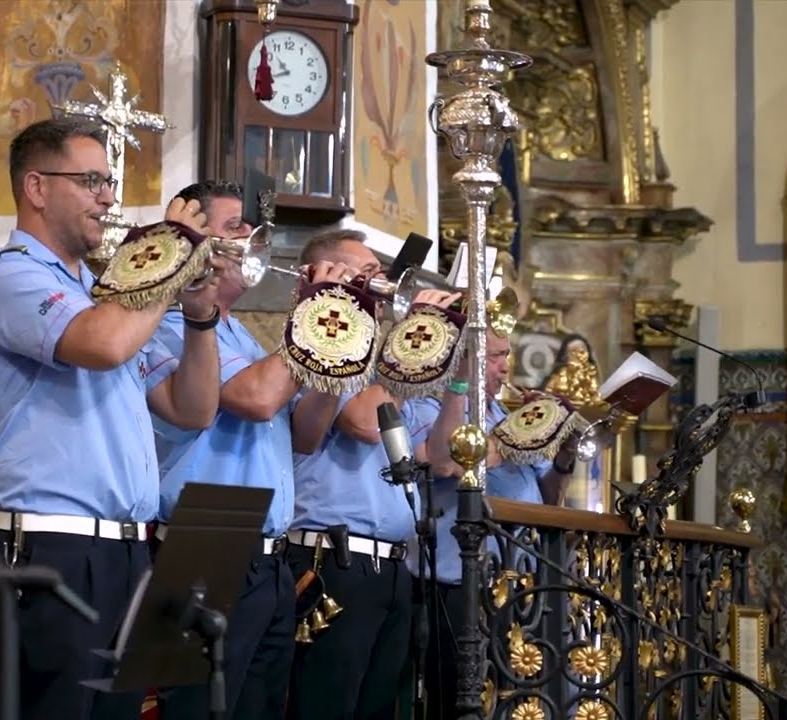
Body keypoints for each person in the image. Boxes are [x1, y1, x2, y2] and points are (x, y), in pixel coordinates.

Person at [0, 117, 225, 720]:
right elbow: (103, 345)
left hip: (125, 555)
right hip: (54, 548)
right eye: (91, 181)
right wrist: (174, 254)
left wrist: (200, 313)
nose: (108, 197)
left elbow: (193, 408)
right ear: (36, 188)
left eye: (107, 183)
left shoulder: (104, 295)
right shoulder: (12, 276)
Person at [151, 182, 354, 720]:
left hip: (268, 555)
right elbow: (257, 400)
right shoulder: (171, 327)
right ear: (195, 244)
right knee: (196, 710)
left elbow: (306, 434)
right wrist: (311, 318)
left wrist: (342, 335)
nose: (250, 237)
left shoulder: (243, 335)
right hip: (207, 541)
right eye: (233, 226)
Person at [283, 228, 453, 720]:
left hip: (392, 567)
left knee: (378, 708)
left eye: (377, 277)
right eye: (366, 277)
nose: (379, 289)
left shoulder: (379, 362)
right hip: (332, 559)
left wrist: (454, 369)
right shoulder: (318, 345)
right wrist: (406, 353)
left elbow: (438, 456)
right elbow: (362, 423)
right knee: (326, 704)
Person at [408, 327, 579, 719]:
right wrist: (516, 436)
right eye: (495, 356)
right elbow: (446, 461)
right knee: (459, 700)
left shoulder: (502, 414)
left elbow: (550, 497)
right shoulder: (432, 406)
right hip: (458, 582)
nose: (505, 368)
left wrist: (562, 453)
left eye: (507, 355)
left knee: (514, 701)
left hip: (518, 583)